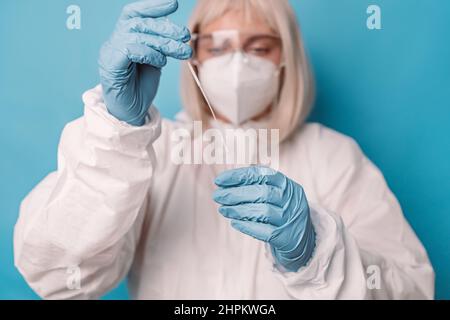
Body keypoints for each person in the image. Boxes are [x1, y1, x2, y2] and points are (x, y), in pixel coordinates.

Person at [14, 0, 434, 299]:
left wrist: (315, 250)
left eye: (258, 47)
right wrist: (119, 132)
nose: (237, 64)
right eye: (216, 47)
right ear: (192, 59)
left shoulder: (334, 156)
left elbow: (412, 291)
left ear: (286, 58)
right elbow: (56, 277)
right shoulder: (151, 152)